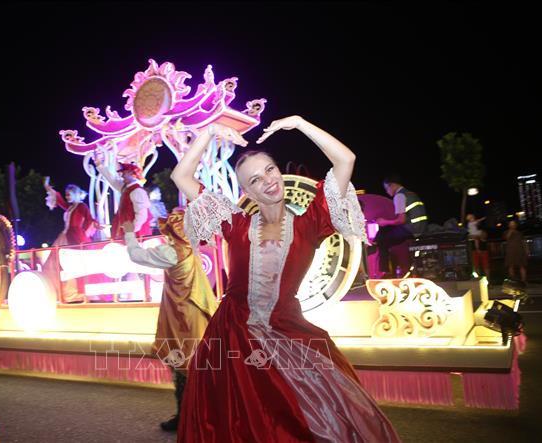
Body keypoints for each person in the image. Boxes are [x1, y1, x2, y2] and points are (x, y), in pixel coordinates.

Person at [171, 117, 400, 442]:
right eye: (255, 179)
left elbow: (345, 160)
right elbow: (181, 176)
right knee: (237, 425)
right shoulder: (235, 224)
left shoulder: (312, 222)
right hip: (232, 337)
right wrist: (208, 132)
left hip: (289, 333)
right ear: (247, 192)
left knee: (314, 419)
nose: (267, 181)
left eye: (270, 170)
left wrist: (300, 124)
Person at [121, 209, 217, 432]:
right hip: (196, 312)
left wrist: (129, 234)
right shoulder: (191, 247)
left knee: (183, 365)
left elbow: (137, 255)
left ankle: (187, 416)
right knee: (198, 364)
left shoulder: (171, 252)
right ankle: (201, 414)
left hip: (181, 317)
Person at [43, 178, 100, 303]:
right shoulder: (70, 207)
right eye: (66, 195)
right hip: (65, 236)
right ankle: (61, 291)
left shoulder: (81, 206)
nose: (67, 197)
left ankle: (75, 292)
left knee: (72, 264)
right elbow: (59, 199)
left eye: (69, 194)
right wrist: (48, 187)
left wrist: (84, 233)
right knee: (54, 263)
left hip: (75, 237)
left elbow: (90, 219)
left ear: (75, 194)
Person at [374, 174, 428, 277]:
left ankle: (385, 272)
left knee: (382, 238)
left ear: (392, 185)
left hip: (412, 230)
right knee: (386, 233)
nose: (387, 192)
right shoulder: (410, 194)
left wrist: (384, 222)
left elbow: (401, 220)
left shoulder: (399, 196)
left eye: (386, 188)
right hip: (421, 228)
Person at [94, 157, 152, 240]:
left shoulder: (137, 191)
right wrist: (99, 165)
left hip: (136, 233)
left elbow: (142, 214)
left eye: (124, 173)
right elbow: (112, 180)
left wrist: (133, 229)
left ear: (132, 174)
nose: (122, 175)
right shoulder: (126, 188)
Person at [466, 214, 491, 282]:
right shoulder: (471, 229)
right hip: (474, 250)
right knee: (476, 266)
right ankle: (479, 280)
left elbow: (483, 236)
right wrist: (473, 237)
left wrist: (475, 236)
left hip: (483, 250)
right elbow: (469, 237)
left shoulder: (481, 230)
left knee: (486, 266)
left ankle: (488, 281)